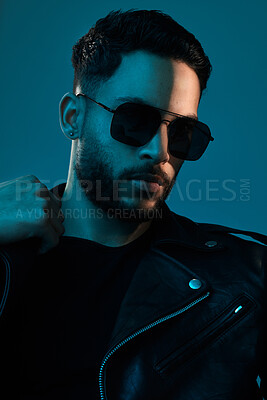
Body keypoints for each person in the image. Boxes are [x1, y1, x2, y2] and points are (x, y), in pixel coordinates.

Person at [0, 9, 266, 400]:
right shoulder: (7, 255)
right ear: (73, 118)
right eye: (134, 119)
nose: (158, 152)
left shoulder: (247, 280)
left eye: (182, 132)